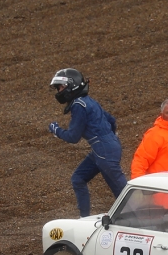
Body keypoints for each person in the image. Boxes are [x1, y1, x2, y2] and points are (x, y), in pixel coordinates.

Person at [47, 68, 128, 218]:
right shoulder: (88, 101)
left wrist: (55, 129)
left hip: (102, 149)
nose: (59, 91)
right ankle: (84, 219)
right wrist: (109, 139)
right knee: (78, 178)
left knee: (123, 193)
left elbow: (73, 136)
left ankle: (141, 220)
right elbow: (111, 120)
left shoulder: (78, 105)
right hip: (105, 147)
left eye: (60, 87)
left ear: (71, 86)